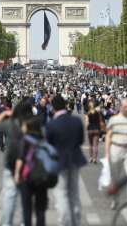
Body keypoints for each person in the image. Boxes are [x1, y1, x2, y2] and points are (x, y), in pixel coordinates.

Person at [0, 99, 33, 226]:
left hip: (11, 163)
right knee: (27, 197)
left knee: (10, 196)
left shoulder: (11, 123)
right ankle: (25, 222)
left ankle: (7, 223)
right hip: (29, 165)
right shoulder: (33, 123)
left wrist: (4, 114)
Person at [46, 95, 86, 226]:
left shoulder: (51, 125)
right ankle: (76, 221)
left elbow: (49, 145)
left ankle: (65, 222)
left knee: (61, 194)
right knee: (74, 193)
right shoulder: (76, 121)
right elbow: (80, 140)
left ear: (53, 108)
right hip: (75, 160)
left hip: (60, 162)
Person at [105, 98, 127, 209]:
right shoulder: (113, 120)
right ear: (120, 107)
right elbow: (108, 136)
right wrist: (107, 152)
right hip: (116, 148)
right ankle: (115, 200)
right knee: (115, 177)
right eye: (125, 107)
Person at [14, 117, 48, 226]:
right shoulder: (44, 140)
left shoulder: (24, 140)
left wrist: (16, 174)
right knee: (40, 208)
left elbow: (20, 159)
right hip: (42, 176)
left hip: (27, 176)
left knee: (26, 208)